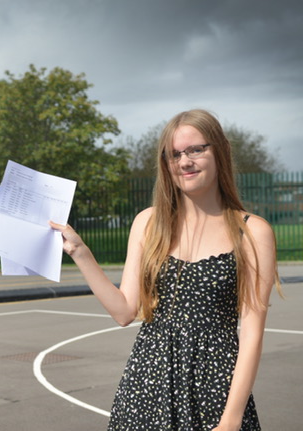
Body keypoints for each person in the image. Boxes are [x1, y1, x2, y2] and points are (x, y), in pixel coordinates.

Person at [50, 109, 280, 430]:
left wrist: (231, 419)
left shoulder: (253, 232)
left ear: (220, 151)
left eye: (196, 149)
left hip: (216, 389)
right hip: (147, 384)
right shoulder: (148, 222)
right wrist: (79, 251)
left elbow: (253, 333)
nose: (184, 161)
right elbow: (124, 311)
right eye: (174, 154)